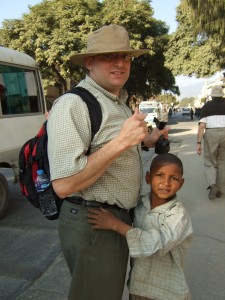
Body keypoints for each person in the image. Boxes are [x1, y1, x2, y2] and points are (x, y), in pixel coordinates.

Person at [47, 24, 169, 300]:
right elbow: (64, 185)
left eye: (125, 56)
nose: (120, 63)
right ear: (89, 62)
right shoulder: (72, 104)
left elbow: (110, 145)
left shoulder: (118, 102)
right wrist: (122, 141)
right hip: (93, 222)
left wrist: (146, 141)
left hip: (114, 220)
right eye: (110, 56)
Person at [88, 153, 193, 300]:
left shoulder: (179, 216)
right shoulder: (139, 206)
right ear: (148, 178)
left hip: (167, 291)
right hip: (139, 288)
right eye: (160, 175)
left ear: (181, 183)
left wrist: (115, 224)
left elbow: (156, 243)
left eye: (173, 178)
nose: (166, 182)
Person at [196, 85, 225, 200]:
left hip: (211, 134)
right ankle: (221, 188)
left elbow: (202, 126)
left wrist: (198, 143)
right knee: (222, 162)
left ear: (212, 95)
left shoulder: (206, 107)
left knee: (209, 162)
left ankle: (212, 185)